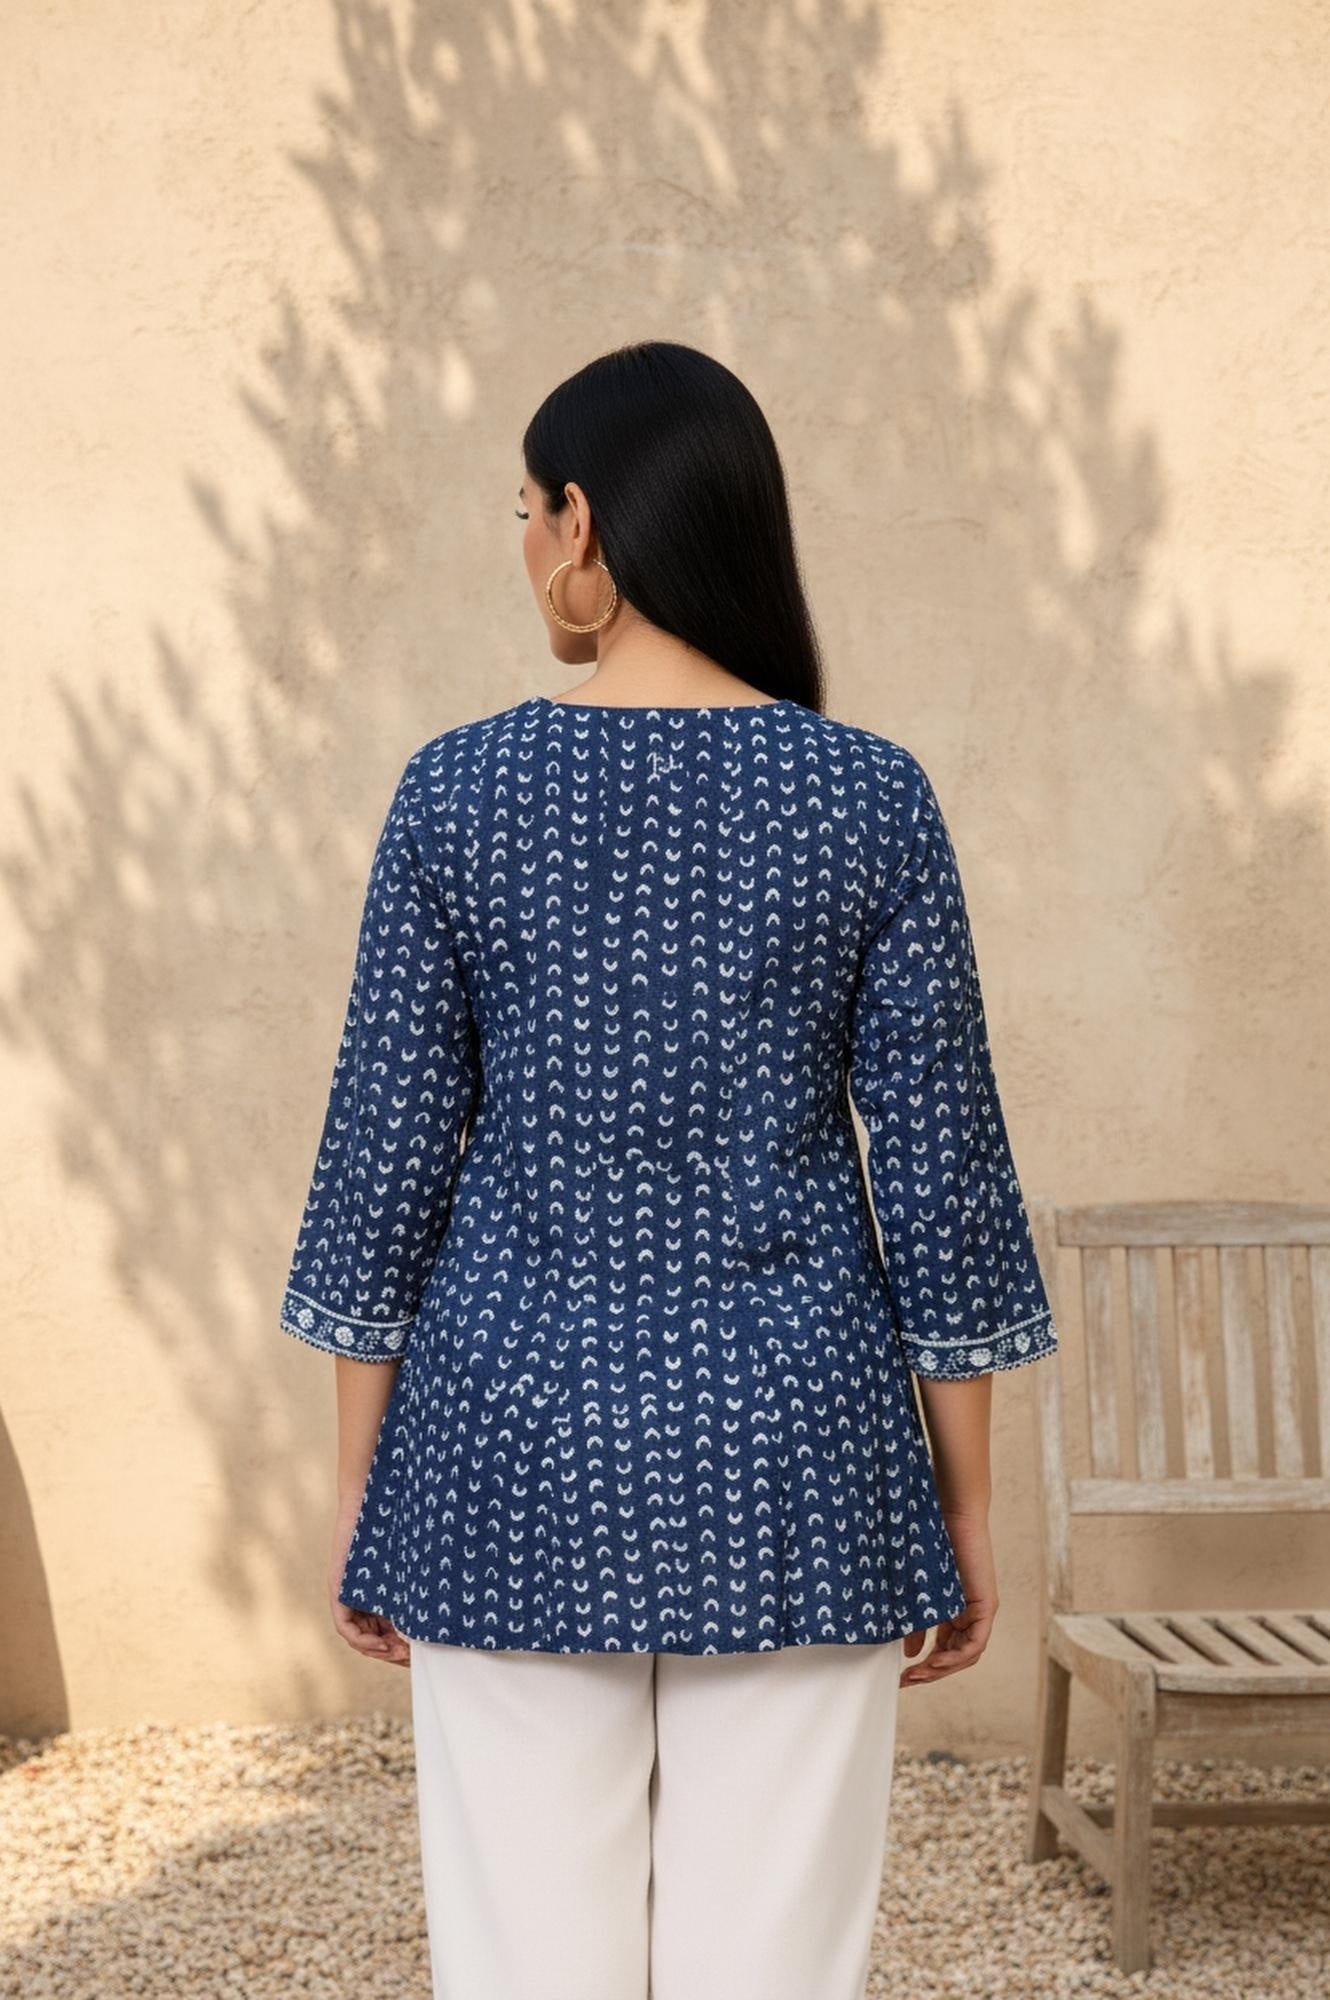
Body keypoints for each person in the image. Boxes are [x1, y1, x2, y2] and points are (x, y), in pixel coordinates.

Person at [278, 340, 1058, 2000]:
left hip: (502, 1447)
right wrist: (965, 1505)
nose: (523, 545)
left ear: (582, 521)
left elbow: (380, 1165)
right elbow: (942, 1179)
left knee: (526, 1964)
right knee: (768, 1965)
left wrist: (361, 1487)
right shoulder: (868, 798)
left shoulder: (456, 792)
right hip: (801, 1458)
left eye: (524, 511)